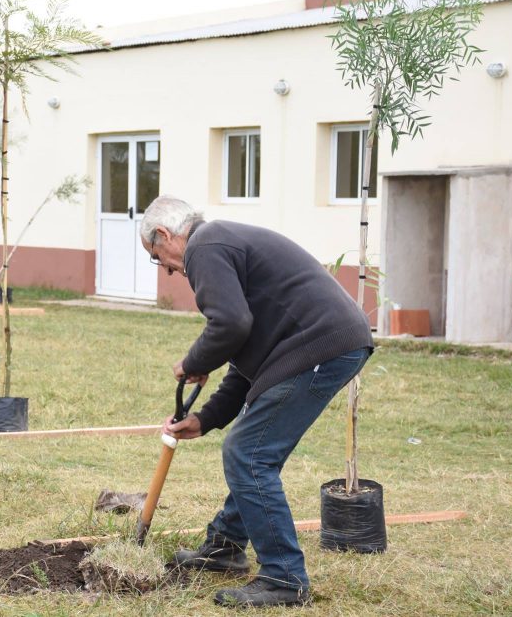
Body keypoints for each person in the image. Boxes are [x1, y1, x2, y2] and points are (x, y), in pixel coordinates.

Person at [141, 195, 373, 608]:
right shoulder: (221, 244)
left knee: (248, 452)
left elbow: (230, 324)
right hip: (316, 345)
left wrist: (193, 362)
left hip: (321, 344)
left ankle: (284, 577)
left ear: (164, 234)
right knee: (253, 448)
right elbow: (247, 358)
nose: (170, 272)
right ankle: (226, 546)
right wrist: (206, 418)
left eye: (159, 258)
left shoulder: (204, 246)